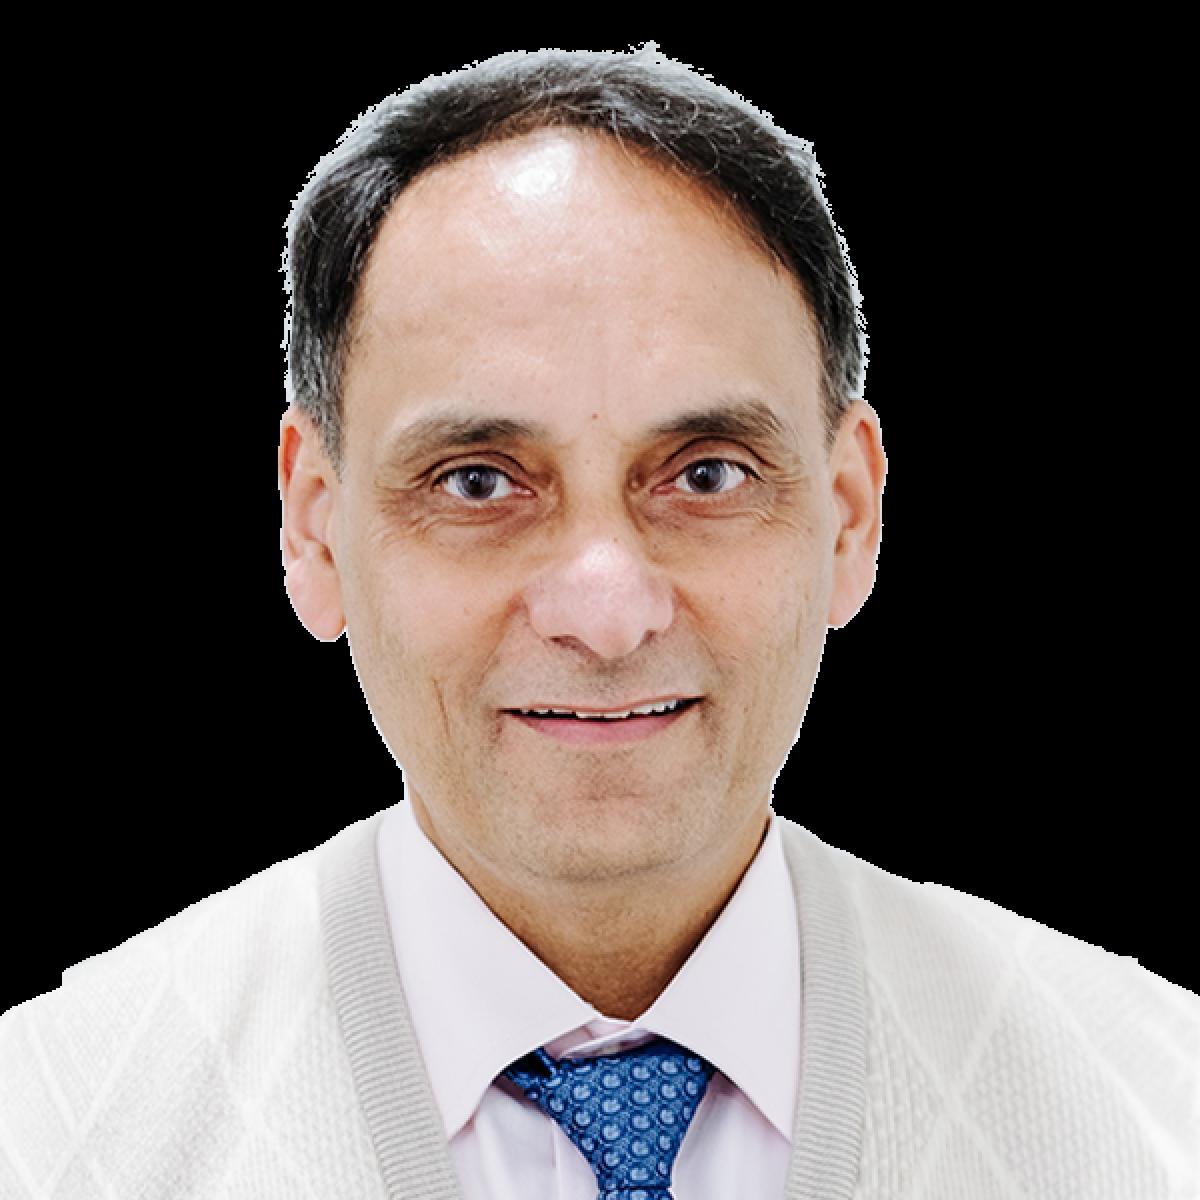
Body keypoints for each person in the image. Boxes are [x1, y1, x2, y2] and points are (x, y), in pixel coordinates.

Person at [2, 47, 1196, 1200]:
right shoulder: (48, 1131)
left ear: (849, 513)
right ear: (314, 528)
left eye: (708, 474)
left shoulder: (1161, 1104)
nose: (608, 611)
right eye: (478, 481)